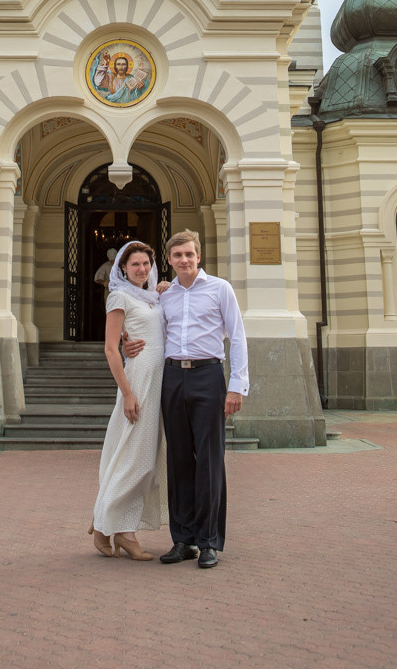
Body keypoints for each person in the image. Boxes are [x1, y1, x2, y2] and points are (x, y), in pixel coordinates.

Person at [125, 228, 248, 570]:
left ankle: (209, 542)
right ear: (169, 260)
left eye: (189, 254)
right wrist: (125, 345)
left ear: (199, 256)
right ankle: (183, 540)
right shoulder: (163, 295)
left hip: (208, 377)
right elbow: (146, 330)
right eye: (177, 256)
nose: (184, 260)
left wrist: (237, 385)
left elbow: (237, 338)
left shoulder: (220, 289)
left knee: (209, 460)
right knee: (178, 460)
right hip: (172, 377)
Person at [89, 241, 167, 562]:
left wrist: (166, 288)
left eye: (146, 264)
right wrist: (128, 394)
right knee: (136, 458)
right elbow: (110, 348)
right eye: (134, 264)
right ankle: (121, 530)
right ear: (122, 267)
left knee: (145, 456)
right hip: (138, 384)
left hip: (160, 383)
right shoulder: (119, 296)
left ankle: (103, 522)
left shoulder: (155, 297)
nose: (141, 269)